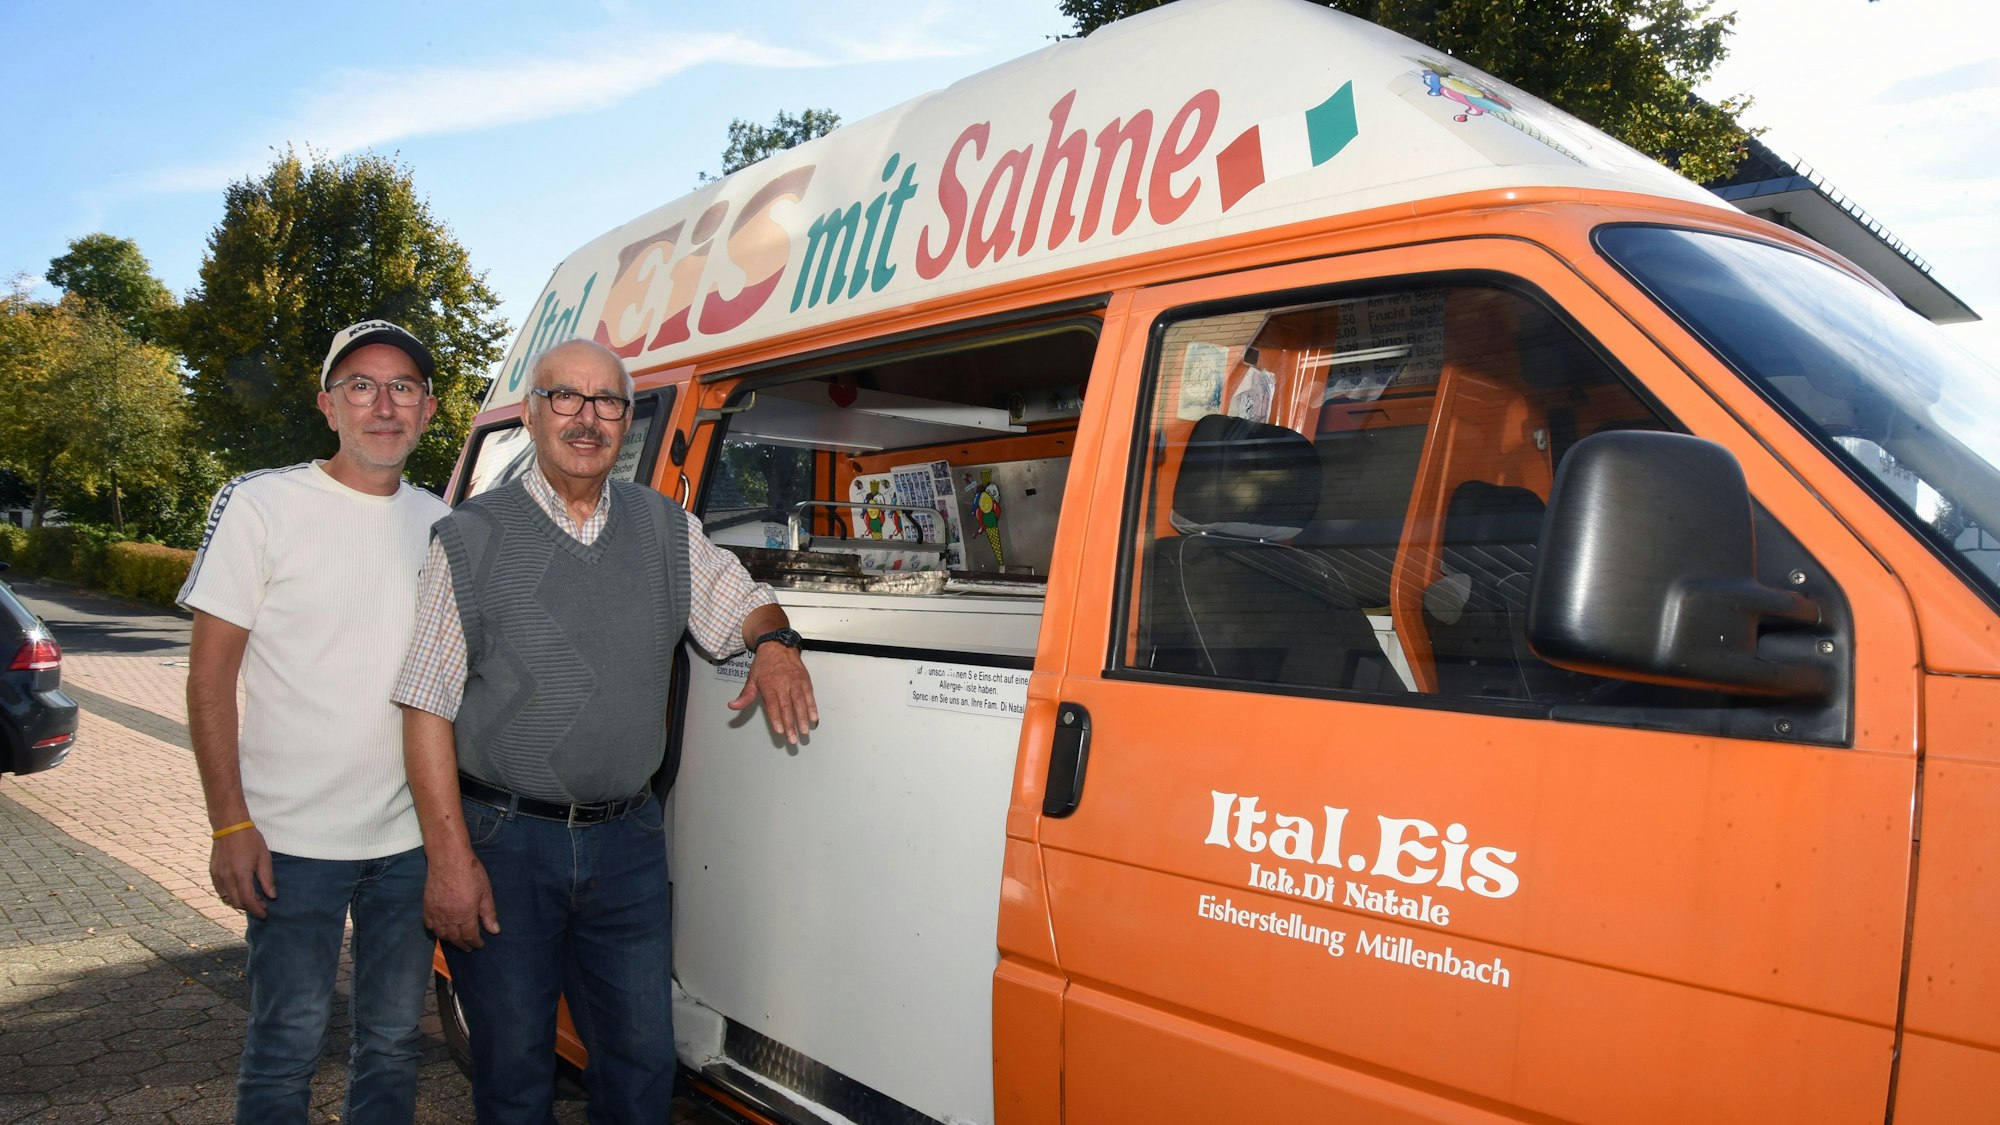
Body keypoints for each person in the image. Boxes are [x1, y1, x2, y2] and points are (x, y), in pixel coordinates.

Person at [392, 338, 817, 1124]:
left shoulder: (665, 528)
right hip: (505, 841)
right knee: (515, 1072)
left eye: (608, 402)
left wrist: (776, 644)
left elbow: (738, 599)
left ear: (627, 419)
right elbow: (425, 708)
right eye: (567, 398)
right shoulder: (470, 537)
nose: (588, 418)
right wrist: (449, 860)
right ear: (531, 413)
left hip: (626, 845)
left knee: (641, 1065)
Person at [181, 320, 448, 1123]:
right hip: (288, 843)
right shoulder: (262, 504)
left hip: (406, 845)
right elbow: (208, 677)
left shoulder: (443, 524)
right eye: (361, 385)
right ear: (328, 403)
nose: (383, 404)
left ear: (429, 409)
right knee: (286, 1041)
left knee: (396, 1039)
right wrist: (231, 825)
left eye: (402, 387)